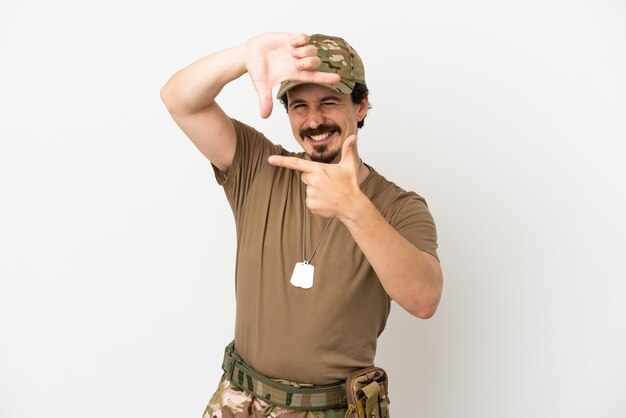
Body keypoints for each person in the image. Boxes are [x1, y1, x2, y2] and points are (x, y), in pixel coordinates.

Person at [160, 32, 443, 418]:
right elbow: (179, 100)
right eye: (299, 106)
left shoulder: (398, 206)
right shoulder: (259, 165)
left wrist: (354, 208)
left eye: (329, 103)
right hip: (239, 400)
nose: (313, 120)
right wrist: (244, 55)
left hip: (332, 409)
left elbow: (424, 299)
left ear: (361, 106)